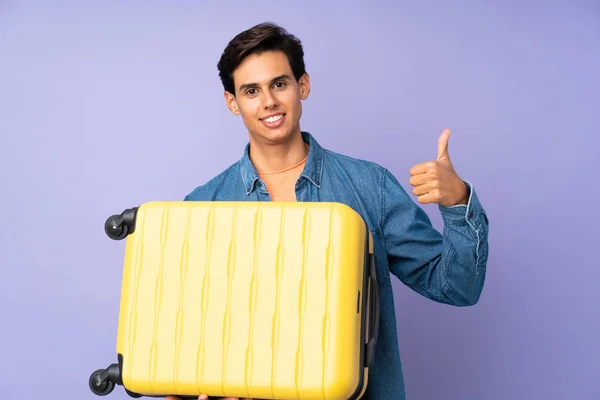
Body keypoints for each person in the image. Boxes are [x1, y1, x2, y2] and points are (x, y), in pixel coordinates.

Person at [167, 22, 489, 400]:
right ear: (232, 102)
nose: (268, 101)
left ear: (302, 86)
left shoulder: (371, 187)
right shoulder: (203, 205)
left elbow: (456, 287)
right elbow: (190, 334)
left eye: (279, 84)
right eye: (251, 91)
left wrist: (457, 201)